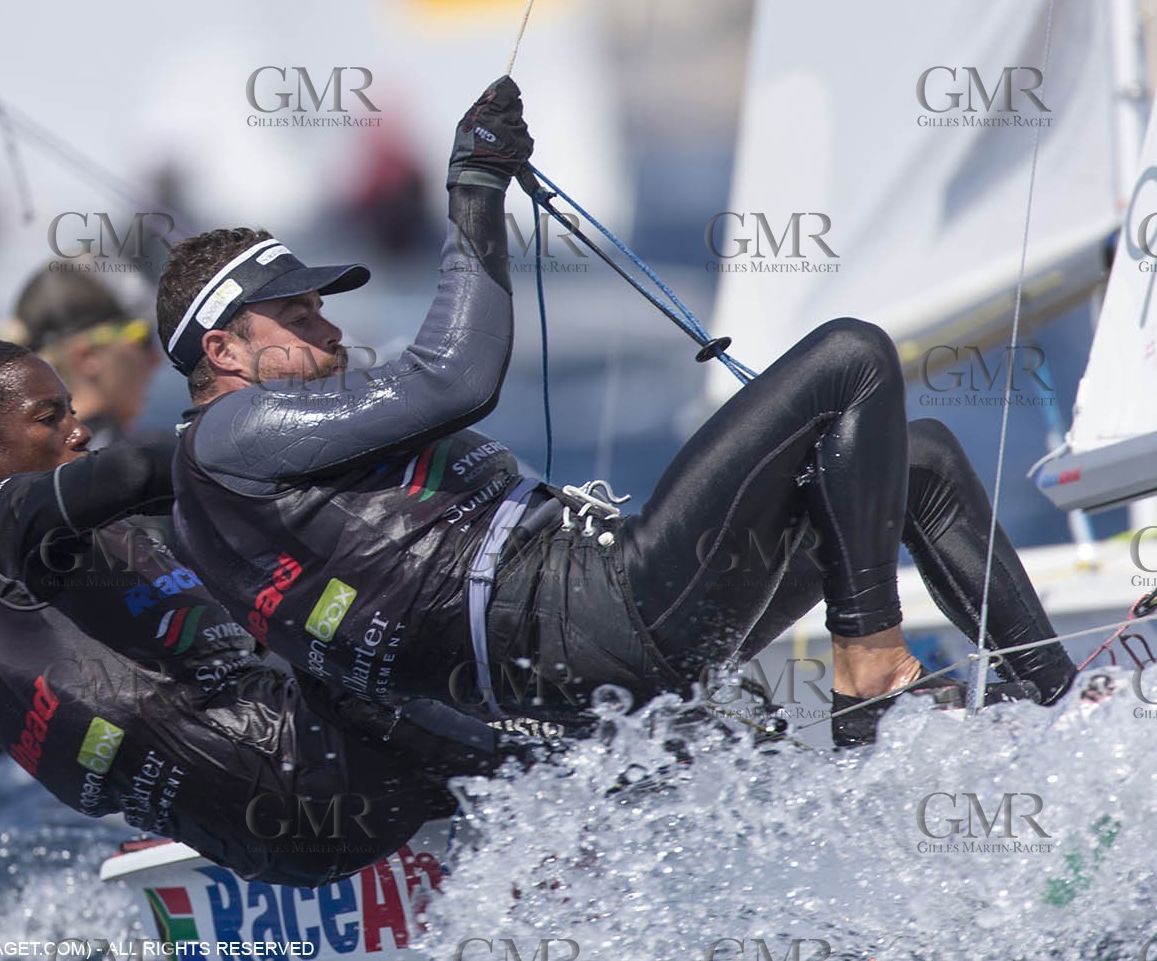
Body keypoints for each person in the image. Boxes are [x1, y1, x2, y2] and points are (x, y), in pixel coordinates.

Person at [156, 76, 1080, 749]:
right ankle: (870, 676)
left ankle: (1057, 710)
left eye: (323, 305)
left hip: (592, 642)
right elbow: (455, 376)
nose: (328, 325)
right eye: (298, 313)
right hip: (595, 618)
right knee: (852, 357)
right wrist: (474, 190)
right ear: (221, 351)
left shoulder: (255, 476)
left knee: (914, 460)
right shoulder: (231, 435)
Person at [0, 340, 509, 886]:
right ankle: (558, 780)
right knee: (385, 636)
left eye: (71, 409)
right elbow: (133, 470)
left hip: (263, 847)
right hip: (318, 779)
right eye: (50, 418)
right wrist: (291, 443)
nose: (79, 429)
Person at [0, 267, 161, 448]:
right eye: (141, 338)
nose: (155, 358)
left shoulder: (24, 461)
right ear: (87, 357)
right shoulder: (141, 461)